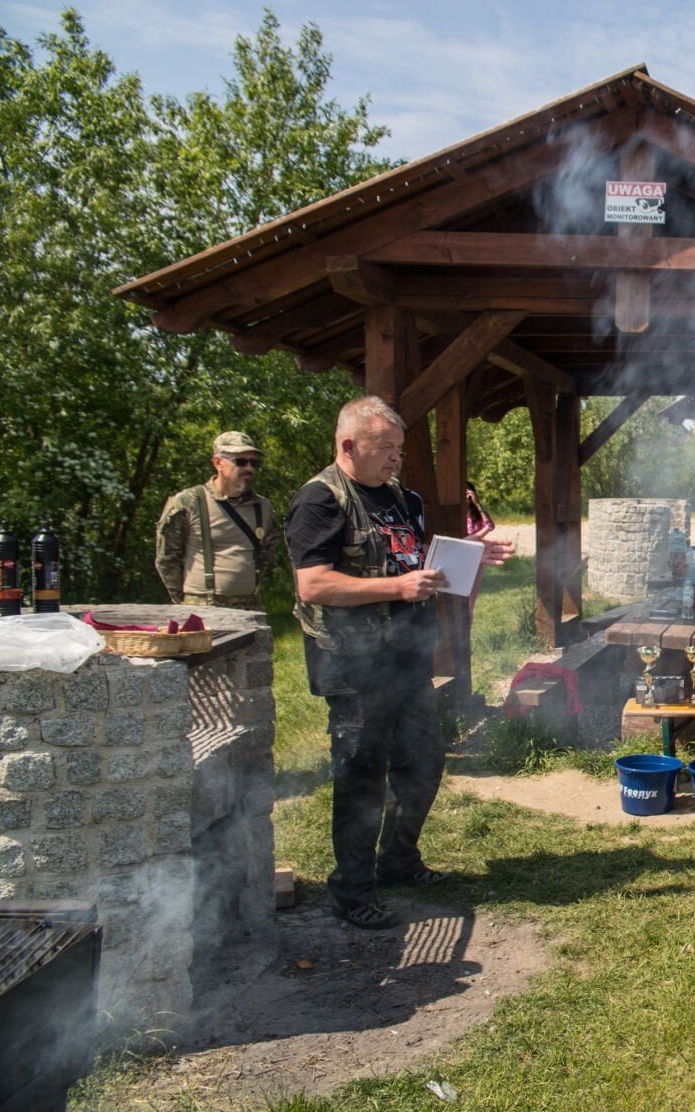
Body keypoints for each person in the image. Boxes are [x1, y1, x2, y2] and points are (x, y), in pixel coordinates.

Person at [286, 396, 511, 928]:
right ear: (348, 445)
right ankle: (352, 890)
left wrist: (471, 554)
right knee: (361, 776)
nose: (396, 458)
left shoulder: (400, 498)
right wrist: (397, 588)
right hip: (354, 664)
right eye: (385, 447)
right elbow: (313, 583)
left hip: (407, 657)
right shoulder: (320, 500)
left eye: (400, 449)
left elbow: (409, 557)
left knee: (424, 762)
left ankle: (398, 860)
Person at [155, 431, 281, 609]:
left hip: (250, 605)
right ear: (218, 463)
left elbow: (267, 552)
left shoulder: (262, 507)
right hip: (204, 606)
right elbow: (167, 559)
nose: (249, 468)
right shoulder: (190, 502)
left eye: (254, 463)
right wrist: (186, 603)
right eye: (241, 461)